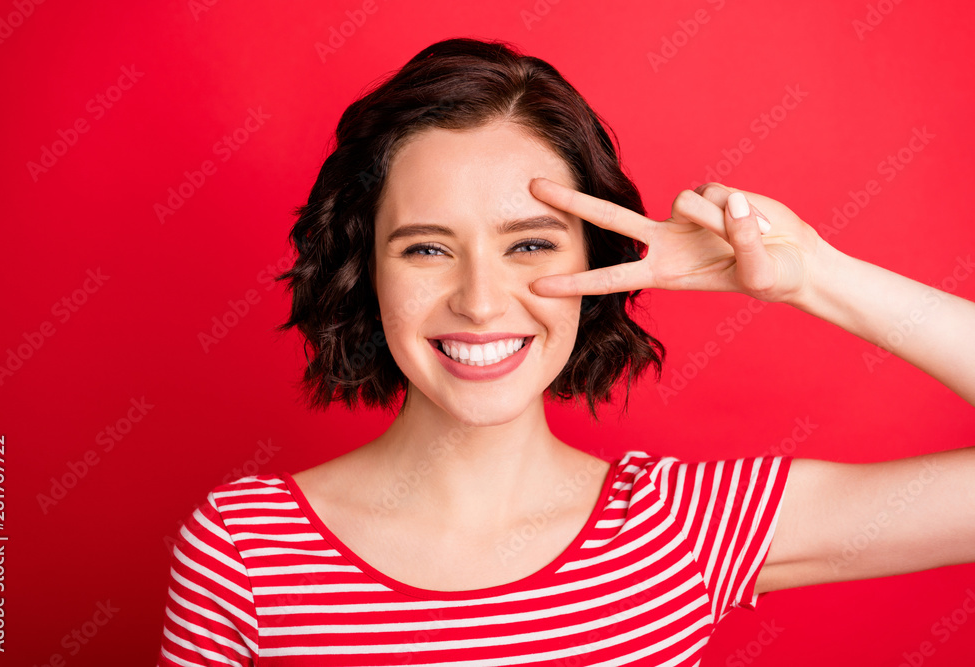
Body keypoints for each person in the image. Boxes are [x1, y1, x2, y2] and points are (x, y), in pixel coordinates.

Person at [156, 37, 975, 666]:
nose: (480, 301)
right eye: (427, 249)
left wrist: (812, 277)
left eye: (530, 246)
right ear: (363, 269)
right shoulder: (244, 549)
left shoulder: (684, 531)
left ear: (598, 263)